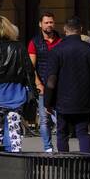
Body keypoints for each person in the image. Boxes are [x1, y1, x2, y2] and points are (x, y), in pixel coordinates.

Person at [45, 16, 90, 154]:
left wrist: (48, 102)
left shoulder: (57, 50)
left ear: (64, 30)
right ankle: (86, 166)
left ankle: (65, 166)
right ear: (80, 30)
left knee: (62, 133)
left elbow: (51, 80)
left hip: (62, 100)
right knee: (83, 133)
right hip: (84, 99)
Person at [0, 16, 32, 152]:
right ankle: (16, 158)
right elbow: (29, 70)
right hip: (16, 92)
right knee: (15, 129)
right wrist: (33, 91)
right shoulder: (20, 47)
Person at [27, 11, 62, 153]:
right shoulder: (34, 42)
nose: (49, 25)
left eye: (51, 22)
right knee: (44, 119)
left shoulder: (61, 40)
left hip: (60, 86)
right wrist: (38, 84)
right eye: (46, 22)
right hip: (43, 86)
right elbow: (31, 66)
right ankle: (48, 147)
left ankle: (61, 146)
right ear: (40, 24)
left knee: (61, 118)